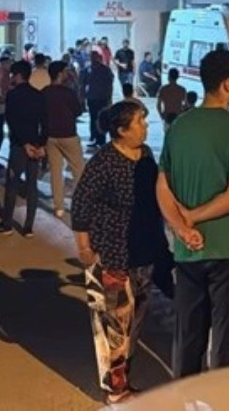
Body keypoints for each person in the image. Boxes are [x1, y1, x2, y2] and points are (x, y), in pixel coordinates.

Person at [155, 50, 229, 377]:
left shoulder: (179, 126)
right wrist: (194, 217)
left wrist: (181, 227)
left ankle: (185, 396)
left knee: (189, 337)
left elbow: (162, 186)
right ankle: (221, 399)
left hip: (189, 250)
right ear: (227, 84)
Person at [71, 101, 169, 405]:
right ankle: (114, 389)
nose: (145, 127)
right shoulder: (104, 162)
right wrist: (84, 248)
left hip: (144, 252)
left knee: (134, 324)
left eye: (145, 121)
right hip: (112, 254)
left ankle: (124, 378)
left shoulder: (146, 155)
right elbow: (81, 205)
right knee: (113, 326)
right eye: (140, 122)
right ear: (122, 130)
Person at [0, 61, 48, 237]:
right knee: (32, 186)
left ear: (18, 75)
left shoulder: (13, 95)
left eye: (12, 74)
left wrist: (24, 143)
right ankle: (28, 227)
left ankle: (7, 224)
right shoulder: (38, 95)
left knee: (12, 184)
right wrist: (41, 144)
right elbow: (45, 122)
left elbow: (12, 121)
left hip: (19, 146)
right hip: (35, 145)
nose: (11, 77)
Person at [44, 60, 87, 220]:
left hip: (50, 136)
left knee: (55, 171)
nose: (67, 73)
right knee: (78, 170)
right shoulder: (68, 92)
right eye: (65, 71)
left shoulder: (44, 92)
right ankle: (80, 205)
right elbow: (78, 110)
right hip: (68, 134)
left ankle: (59, 207)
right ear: (60, 74)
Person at [84, 52, 115, 148]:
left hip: (102, 98)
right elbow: (84, 82)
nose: (93, 59)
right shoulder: (89, 69)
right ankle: (95, 138)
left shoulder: (105, 70)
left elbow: (110, 84)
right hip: (92, 98)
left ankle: (101, 139)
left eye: (94, 57)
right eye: (91, 57)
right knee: (93, 118)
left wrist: (109, 97)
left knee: (101, 119)